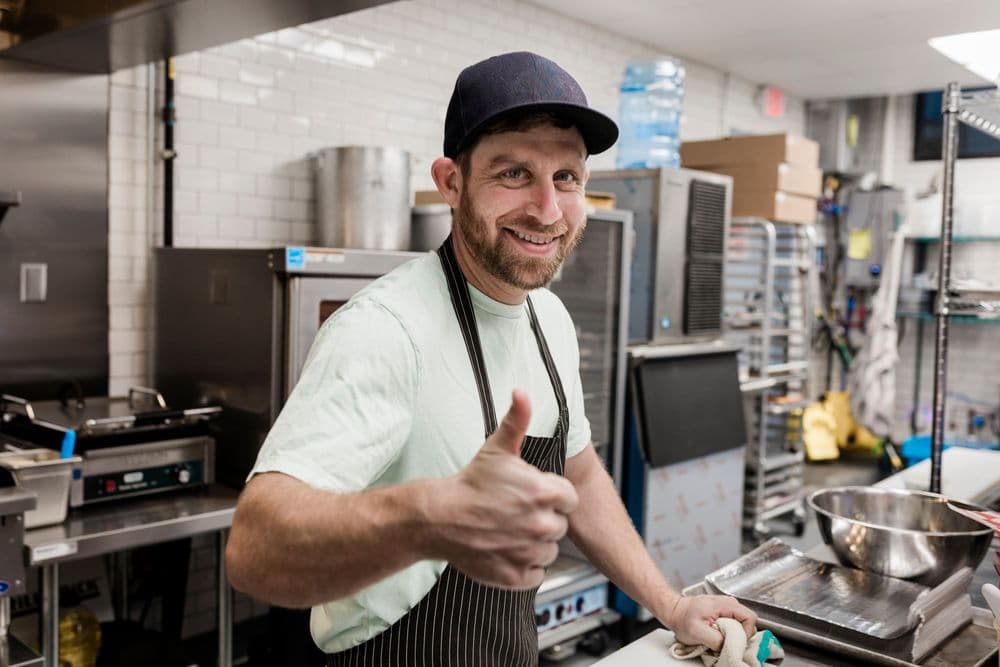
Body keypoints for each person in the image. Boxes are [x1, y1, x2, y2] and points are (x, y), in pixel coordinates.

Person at [225, 50, 756, 665]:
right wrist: (427, 518)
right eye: (513, 174)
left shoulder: (549, 317)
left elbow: (578, 475)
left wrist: (668, 604)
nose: (547, 209)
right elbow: (253, 547)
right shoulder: (384, 329)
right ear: (451, 182)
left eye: (567, 178)